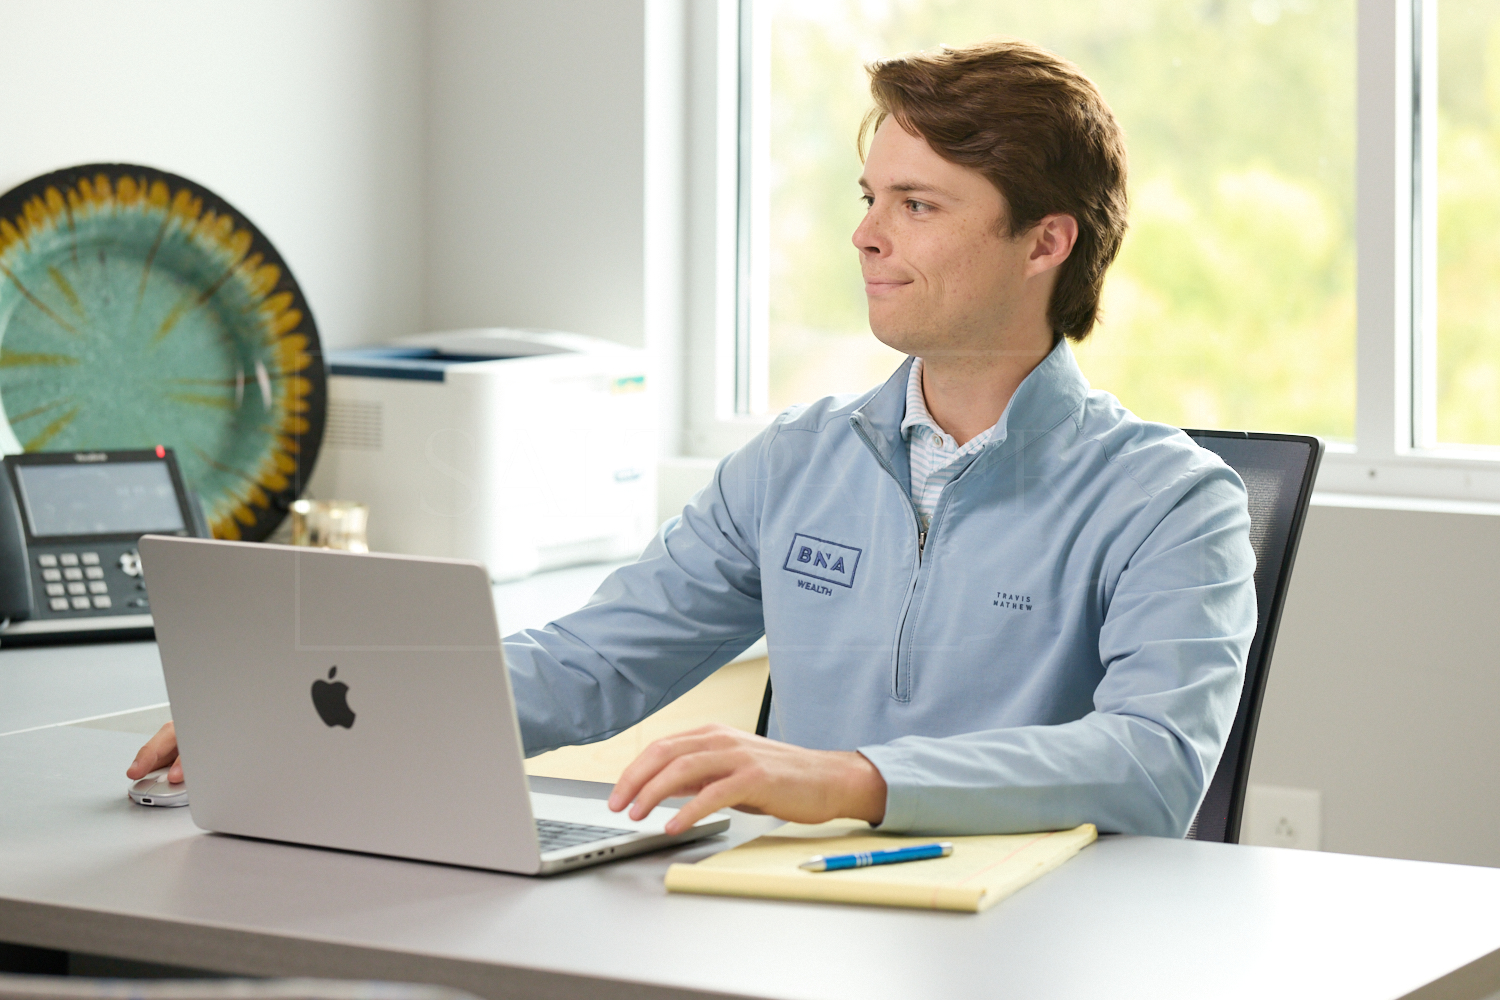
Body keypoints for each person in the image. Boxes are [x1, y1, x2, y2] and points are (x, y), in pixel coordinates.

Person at [130, 38, 1256, 840]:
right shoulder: (798, 460)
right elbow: (594, 660)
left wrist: (849, 778)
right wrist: (312, 704)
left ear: (1044, 242)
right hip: (800, 924)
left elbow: (1151, 764)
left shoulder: (1169, 499)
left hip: (1043, 944)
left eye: (918, 205)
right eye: (869, 197)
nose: (864, 235)